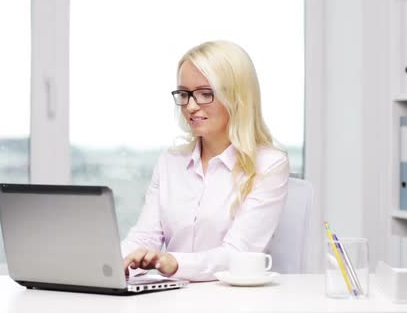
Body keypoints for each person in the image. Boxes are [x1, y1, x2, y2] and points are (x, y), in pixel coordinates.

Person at [121, 40, 290, 282]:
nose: (190, 106)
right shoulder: (170, 162)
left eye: (204, 93)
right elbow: (144, 237)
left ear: (237, 97)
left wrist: (173, 262)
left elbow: (238, 253)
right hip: (172, 298)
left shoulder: (269, 165)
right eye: (184, 94)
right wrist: (109, 263)